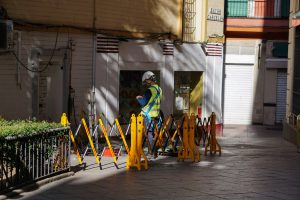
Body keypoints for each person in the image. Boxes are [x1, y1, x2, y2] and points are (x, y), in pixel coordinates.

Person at [136, 71, 162, 156]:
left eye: (146, 81)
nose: (146, 83)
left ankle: (151, 150)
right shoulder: (159, 89)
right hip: (156, 115)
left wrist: (139, 98)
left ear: (149, 80)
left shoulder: (149, 90)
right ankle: (153, 149)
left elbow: (144, 102)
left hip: (148, 115)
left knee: (148, 133)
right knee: (153, 132)